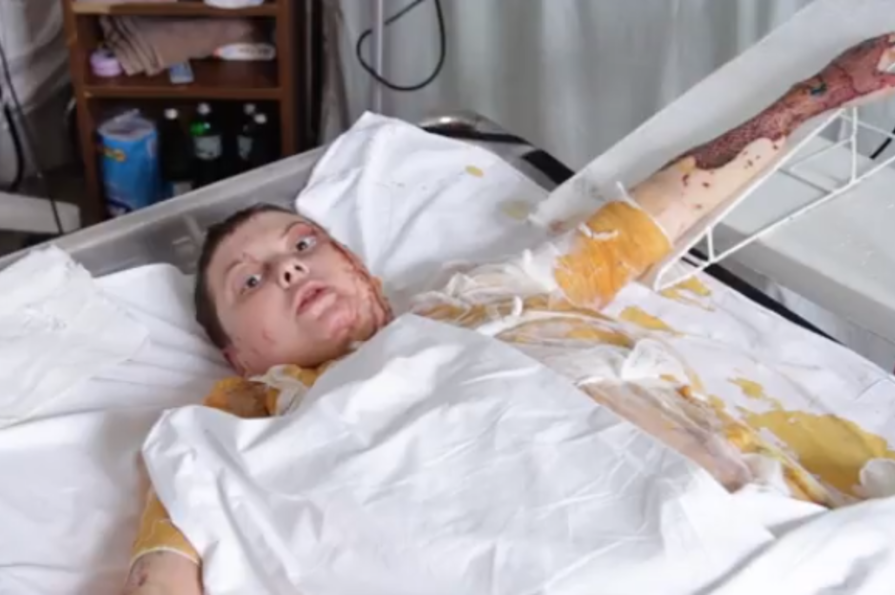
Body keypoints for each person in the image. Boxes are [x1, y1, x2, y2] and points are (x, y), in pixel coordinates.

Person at [123, 34, 895, 595]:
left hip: (762, 536)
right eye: (249, 281)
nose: (288, 266)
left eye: (302, 243)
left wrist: (820, 92)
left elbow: (649, 217)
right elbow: (165, 565)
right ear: (238, 355)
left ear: (359, 267)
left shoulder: (492, 297)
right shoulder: (237, 426)